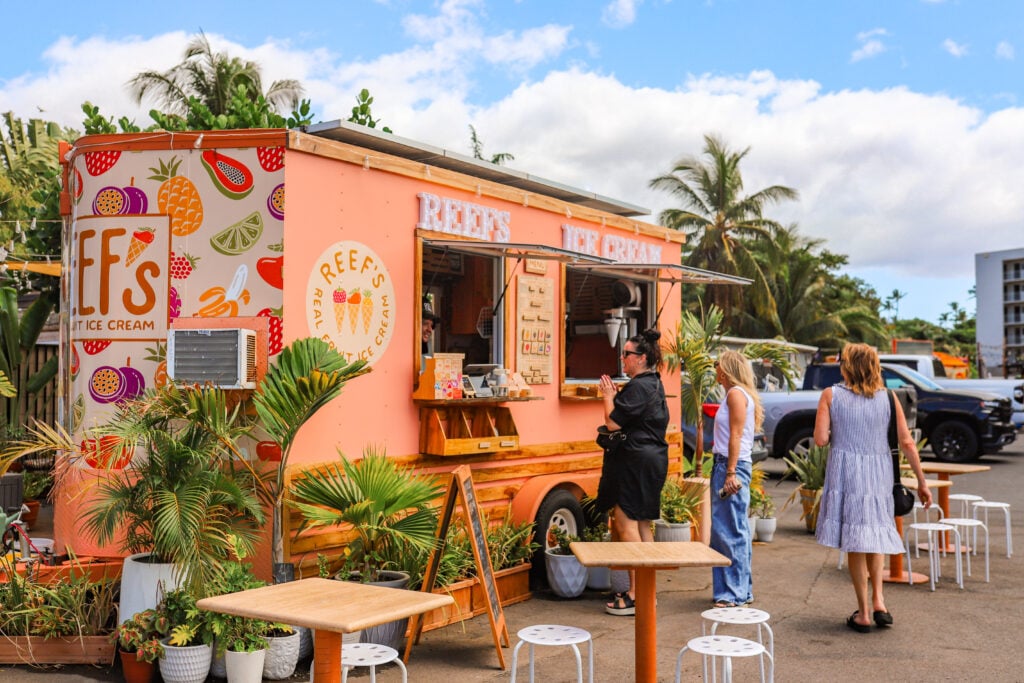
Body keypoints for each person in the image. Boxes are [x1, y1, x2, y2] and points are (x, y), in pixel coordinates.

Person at [813, 343, 932, 633]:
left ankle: (864, 613)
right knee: (874, 535)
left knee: (856, 541)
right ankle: (879, 601)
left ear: (847, 366)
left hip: (848, 476)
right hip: (879, 477)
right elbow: (906, 443)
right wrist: (922, 482)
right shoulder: (889, 398)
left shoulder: (831, 395)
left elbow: (819, 439)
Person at [596, 328, 669, 616]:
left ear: (641, 358)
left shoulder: (639, 387)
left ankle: (637, 595)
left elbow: (613, 423)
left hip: (636, 463)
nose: (622, 358)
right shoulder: (654, 384)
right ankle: (646, 593)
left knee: (626, 526)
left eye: (626, 354)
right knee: (642, 526)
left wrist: (607, 395)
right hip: (650, 462)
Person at [709, 349, 763, 608]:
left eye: (718, 365)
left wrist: (729, 472)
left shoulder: (735, 395)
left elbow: (736, 435)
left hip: (731, 466)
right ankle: (741, 589)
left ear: (726, 369)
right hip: (731, 464)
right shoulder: (738, 395)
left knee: (727, 530)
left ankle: (732, 593)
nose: (715, 369)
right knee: (734, 528)